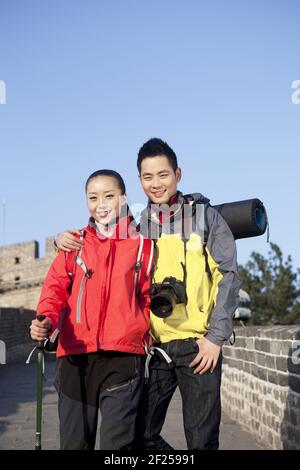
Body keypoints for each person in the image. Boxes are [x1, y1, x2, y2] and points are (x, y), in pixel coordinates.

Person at [55, 139, 241, 450]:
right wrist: (63, 239)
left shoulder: (205, 218)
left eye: (163, 175)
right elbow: (98, 244)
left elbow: (229, 277)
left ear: (178, 174)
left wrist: (216, 337)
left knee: (202, 441)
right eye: (148, 177)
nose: (156, 184)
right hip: (154, 349)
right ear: (139, 180)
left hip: (200, 346)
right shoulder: (135, 227)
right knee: (139, 436)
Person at [30, 169, 153, 450]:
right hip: (75, 360)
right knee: (74, 445)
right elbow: (54, 290)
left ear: (123, 198)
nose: (102, 204)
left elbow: (148, 297)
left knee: (118, 448)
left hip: (123, 359)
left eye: (109, 195)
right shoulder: (74, 244)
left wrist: (142, 335)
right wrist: (46, 321)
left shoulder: (144, 245)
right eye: (93, 197)